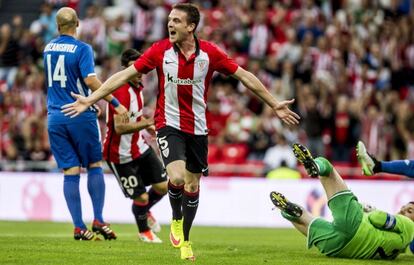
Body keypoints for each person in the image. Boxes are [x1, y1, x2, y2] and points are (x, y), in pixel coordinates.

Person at [61, 3, 300, 260]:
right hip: (168, 123)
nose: (170, 24)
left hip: (197, 127)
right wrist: (91, 99)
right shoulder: (160, 51)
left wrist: (274, 103)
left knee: (193, 183)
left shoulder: (210, 54)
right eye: (169, 20)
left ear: (191, 26)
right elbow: (123, 75)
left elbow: (245, 76)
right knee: (175, 177)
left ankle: (186, 238)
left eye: (176, 21)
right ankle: (176, 218)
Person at [44, 7, 126, 240]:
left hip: (55, 117)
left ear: (57, 26)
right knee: (93, 164)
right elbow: (90, 80)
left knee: (70, 170)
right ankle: (98, 219)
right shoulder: (82, 49)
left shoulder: (48, 48)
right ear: (77, 23)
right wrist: (114, 102)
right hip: (79, 114)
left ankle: (79, 227)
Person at [270, 143, 414, 259]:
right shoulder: (400, 249)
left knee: (329, 172)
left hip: (355, 225)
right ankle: (288, 212)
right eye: (404, 207)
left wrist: (371, 211)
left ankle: (315, 166)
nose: (402, 210)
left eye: (409, 210)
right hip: (341, 249)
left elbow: (377, 218)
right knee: (309, 224)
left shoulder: (407, 224)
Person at [103, 48, 168, 243]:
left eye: (140, 68)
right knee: (141, 198)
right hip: (119, 155)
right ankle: (144, 232)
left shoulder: (137, 88)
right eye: (133, 68)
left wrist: (146, 129)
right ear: (125, 69)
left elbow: (134, 117)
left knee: (163, 186)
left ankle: (144, 211)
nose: (138, 72)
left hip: (139, 147)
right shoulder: (121, 91)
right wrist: (147, 123)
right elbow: (121, 128)